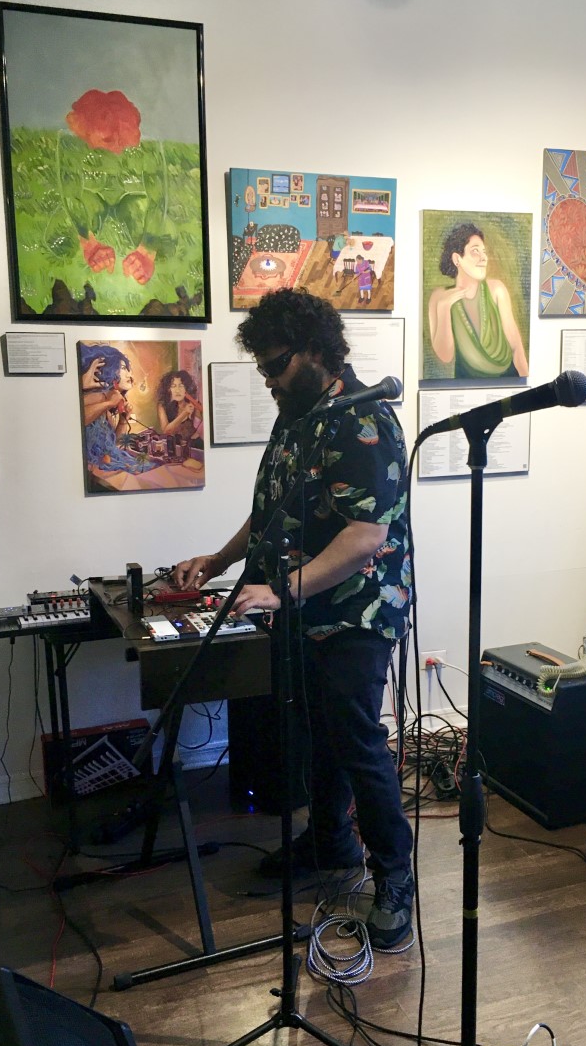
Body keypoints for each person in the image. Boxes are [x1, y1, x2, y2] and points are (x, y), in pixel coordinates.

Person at [173, 288, 414, 949]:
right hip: (305, 609)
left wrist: (283, 591)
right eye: (263, 368)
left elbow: (365, 535)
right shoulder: (298, 418)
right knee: (317, 736)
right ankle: (331, 846)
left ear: (315, 351)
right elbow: (271, 511)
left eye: (276, 366)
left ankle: (395, 877)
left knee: (358, 742)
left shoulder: (364, 422)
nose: (269, 380)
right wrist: (220, 561)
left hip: (358, 612)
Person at [428, 221, 529, 379]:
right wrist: (444, 308)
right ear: (457, 259)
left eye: (484, 252)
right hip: (465, 386)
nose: (484, 258)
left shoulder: (497, 289)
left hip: (507, 382)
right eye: (475, 251)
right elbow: (445, 356)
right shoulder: (439, 297)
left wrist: (527, 387)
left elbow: (516, 348)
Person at [79, 344, 156, 474]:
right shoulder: (98, 397)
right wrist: (109, 403)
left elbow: (113, 446)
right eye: (124, 368)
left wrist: (122, 421)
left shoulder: (106, 405)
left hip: (105, 465)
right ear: (111, 369)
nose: (130, 375)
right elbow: (79, 418)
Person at [156, 369, 204, 450]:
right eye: (173, 386)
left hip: (192, 448)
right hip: (172, 448)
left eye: (181, 385)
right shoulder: (162, 405)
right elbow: (167, 431)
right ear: (168, 389)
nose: (177, 390)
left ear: (186, 388)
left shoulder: (194, 404)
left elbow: (198, 432)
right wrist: (185, 413)